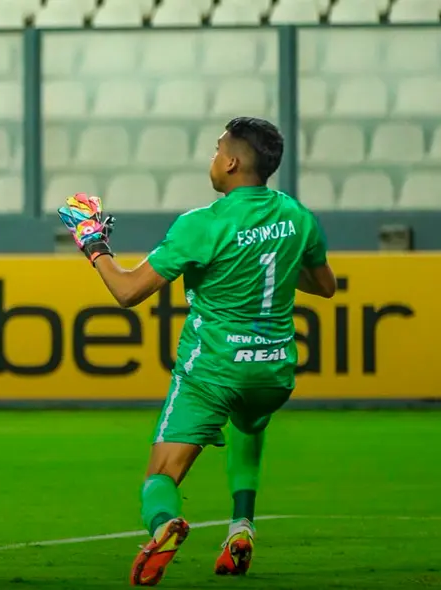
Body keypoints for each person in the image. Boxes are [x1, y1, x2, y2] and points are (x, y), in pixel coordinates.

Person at [56, 117, 337, 587]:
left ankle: (165, 525)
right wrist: (277, 256)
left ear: (231, 162)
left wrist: (92, 241)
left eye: (216, 149)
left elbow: (127, 293)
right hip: (273, 371)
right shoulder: (297, 217)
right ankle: (241, 527)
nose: (212, 158)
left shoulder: (201, 225)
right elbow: (324, 285)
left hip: (213, 370)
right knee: (250, 423)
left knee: (159, 477)